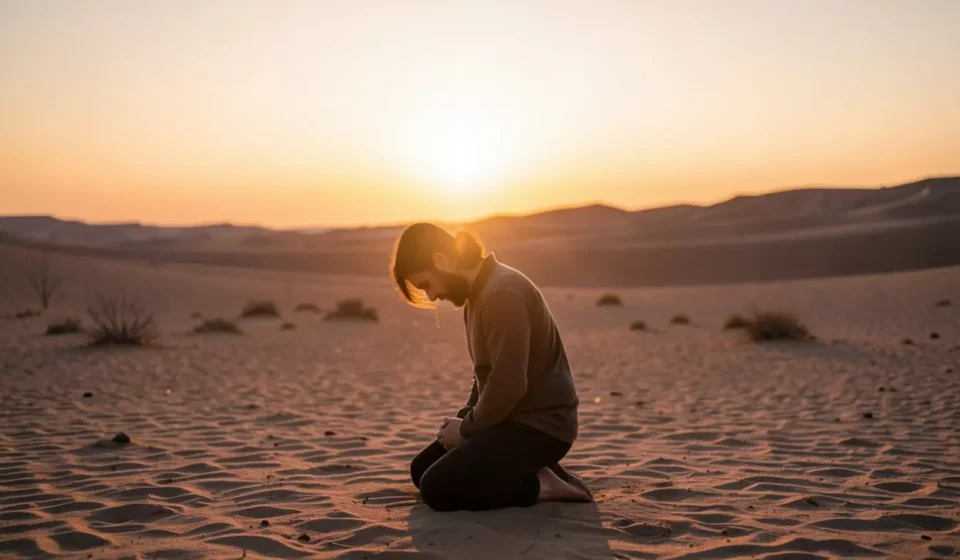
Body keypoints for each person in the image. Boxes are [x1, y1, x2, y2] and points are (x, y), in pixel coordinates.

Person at [391, 223, 592, 511]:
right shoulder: (477, 294)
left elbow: (509, 383)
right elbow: (485, 375)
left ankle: (542, 485)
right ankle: (534, 469)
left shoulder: (501, 294)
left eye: (426, 285)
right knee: (421, 469)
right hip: (508, 419)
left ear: (441, 261)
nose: (432, 297)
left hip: (542, 428)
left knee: (436, 489)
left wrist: (467, 429)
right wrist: (465, 417)